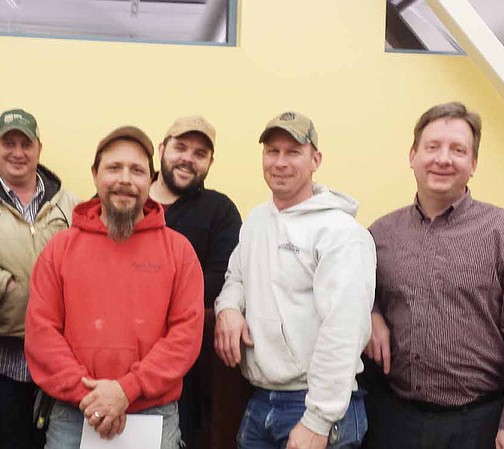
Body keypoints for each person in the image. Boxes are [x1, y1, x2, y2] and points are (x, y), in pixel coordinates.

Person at [363, 102, 504, 449]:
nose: (443, 159)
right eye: (433, 146)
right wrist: (372, 313)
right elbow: (354, 295)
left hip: (480, 424)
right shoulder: (379, 235)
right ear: (412, 155)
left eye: (458, 150)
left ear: (473, 164)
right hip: (394, 421)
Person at [24, 126, 205, 449]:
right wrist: (93, 398)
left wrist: (126, 390)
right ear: (95, 175)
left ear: (150, 180)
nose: (125, 179)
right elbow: (42, 333)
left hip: (154, 415)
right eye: (113, 168)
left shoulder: (179, 251)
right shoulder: (60, 248)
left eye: (136, 170)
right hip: (73, 415)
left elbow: (185, 335)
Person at [215, 111, 375, 449]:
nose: (280, 162)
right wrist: (228, 307)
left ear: (315, 159)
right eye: (272, 151)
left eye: (293, 152)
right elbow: (237, 276)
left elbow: (345, 328)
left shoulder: (341, 233)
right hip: (260, 402)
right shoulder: (258, 220)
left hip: (318, 407)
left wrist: (317, 420)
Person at [0, 109, 80, 449]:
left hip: (62, 358)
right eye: (8, 143)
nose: (17, 152)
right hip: (3, 358)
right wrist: (3, 284)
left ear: (39, 148)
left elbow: (87, 262)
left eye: (25, 144)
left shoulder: (70, 205)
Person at [148, 115, 243, 448]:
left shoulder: (220, 211)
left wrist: (145, 296)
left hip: (192, 369)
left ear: (210, 163)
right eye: (181, 147)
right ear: (162, 148)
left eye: (200, 153)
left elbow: (218, 279)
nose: (189, 158)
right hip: (119, 359)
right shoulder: (128, 199)